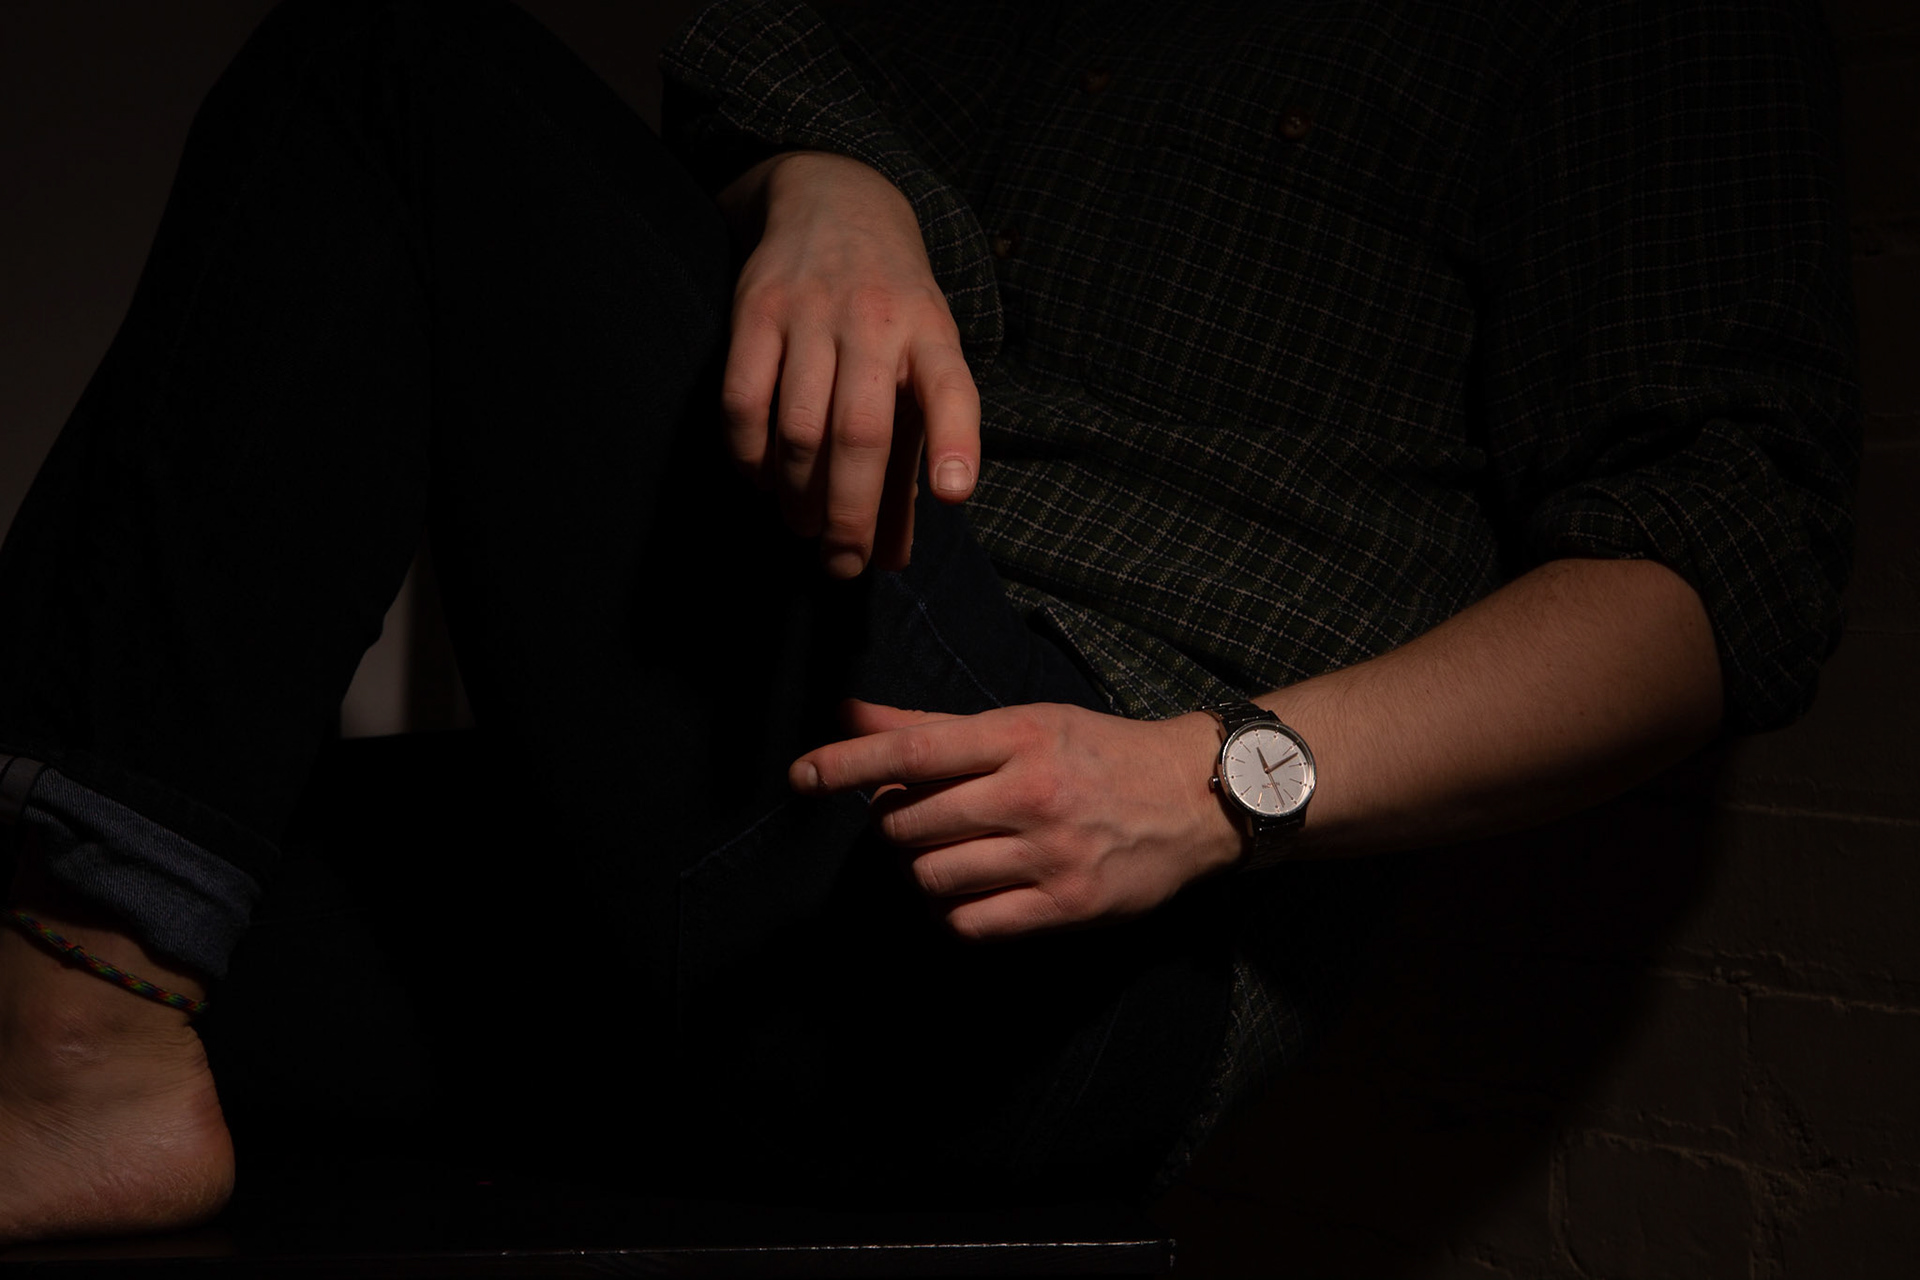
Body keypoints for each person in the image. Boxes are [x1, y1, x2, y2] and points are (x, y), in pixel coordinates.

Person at [0, 0, 1857, 1245]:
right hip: (753, 796)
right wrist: (827, 190)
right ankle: (89, 1016)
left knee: (382, 60)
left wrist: (1218, 784)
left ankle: (86, 1039)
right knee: (63, 873)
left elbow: (1725, 561)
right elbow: (768, 68)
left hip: (1057, 909)